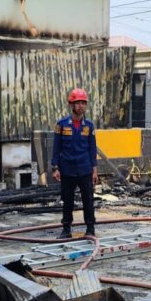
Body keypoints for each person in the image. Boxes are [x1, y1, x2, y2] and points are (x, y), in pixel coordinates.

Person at [50, 88, 98, 239]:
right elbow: (56, 147)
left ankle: (90, 228)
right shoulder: (62, 124)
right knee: (67, 200)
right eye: (78, 103)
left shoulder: (89, 126)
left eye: (83, 103)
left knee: (88, 200)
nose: (81, 106)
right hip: (67, 169)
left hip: (84, 169)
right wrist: (55, 167)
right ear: (72, 104)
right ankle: (66, 229)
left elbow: (92, 148)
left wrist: (94, 170)